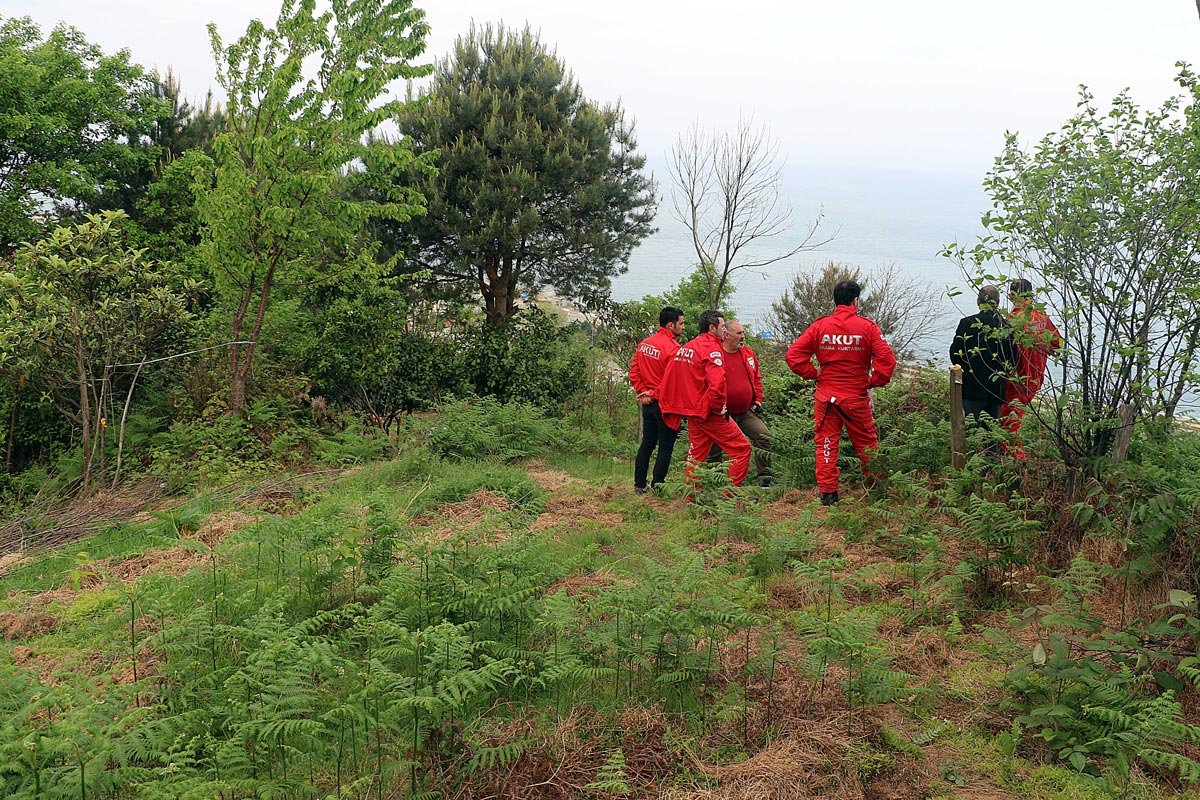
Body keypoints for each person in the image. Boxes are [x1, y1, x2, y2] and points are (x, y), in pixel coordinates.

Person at [786, 280, 896, 506]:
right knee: (867, 445)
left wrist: (814, 373)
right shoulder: (867, 327)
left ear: (835, 300)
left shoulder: (820, 326)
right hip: (855, 397)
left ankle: (828, 495)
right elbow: (887, 361)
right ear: (856, 300)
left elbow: (794, 356)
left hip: (826, 397)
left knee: (826, 443)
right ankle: (876, 489)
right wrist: (873, 381)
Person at [657, 310, 752, 489]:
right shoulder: (711, 349)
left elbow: (671, 378)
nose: (725, 331)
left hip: (693, 411)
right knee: (742, 449)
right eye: (723, 327)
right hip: (707, 411)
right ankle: (729, 497)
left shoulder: (688, 347)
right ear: (712, 328)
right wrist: (717, 408)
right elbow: (717, 384)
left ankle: (692, 498)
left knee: (697, 456)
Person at [706, 320, 772, 486]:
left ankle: (765, 479)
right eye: (739, 333)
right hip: (722, 414)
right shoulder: (715, 355)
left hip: (745, 411)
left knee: (764, 437)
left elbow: (756, 377)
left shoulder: (748, 353)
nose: (743, 336)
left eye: (743, 332)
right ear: (726, 335)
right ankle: (714, 481)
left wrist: (758, 399)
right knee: (714, 448)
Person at [1001, 279, 1062, 458]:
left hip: (1015, 380)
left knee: (1007, 424)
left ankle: (1017, 464)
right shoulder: (1043, 317)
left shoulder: (1012, 321)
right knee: (1012, 421)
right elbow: (1057, 344)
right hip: (1034, 379)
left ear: (1011, 296)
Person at [628, 307, 686, 493]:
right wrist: (651, 394)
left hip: (648, 403)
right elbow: (672, 383)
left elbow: (634, 372)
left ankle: (639, 484)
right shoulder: (674, 349)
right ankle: (658, 486)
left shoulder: (644, 344)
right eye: (681, 323)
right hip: (665, 405)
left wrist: (643, 392)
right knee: (665, 447)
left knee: (647, 443)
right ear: (671, 325)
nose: (683, 327)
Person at [949, 285, 1017, 427]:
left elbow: (955, 353)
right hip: (996, 390)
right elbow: (1013, 360)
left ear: (977, 301)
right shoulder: (1007, 327)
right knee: (992, 434)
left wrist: (965, 368)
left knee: (973, 430)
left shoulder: (967, 323)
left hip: (972, 387)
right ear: (998, 303)